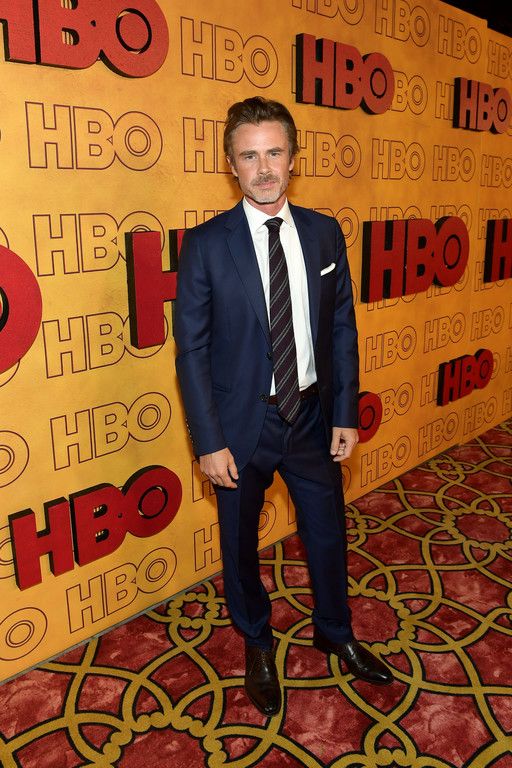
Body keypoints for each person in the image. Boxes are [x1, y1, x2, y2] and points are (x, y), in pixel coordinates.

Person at [174, 96, 393, 717]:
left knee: (327, 531)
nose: (264, 168)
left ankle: (335, 631)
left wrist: (345, 411)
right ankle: (257, 641)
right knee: (240, 544)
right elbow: (191, 351)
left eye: (274, 153)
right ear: (231, 165)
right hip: (240, 424)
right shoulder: (207, 245)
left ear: (294, 158)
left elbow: (342, 327)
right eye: (249, 156)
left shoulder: (324, 233)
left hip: (313, 417)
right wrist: (208, 441)